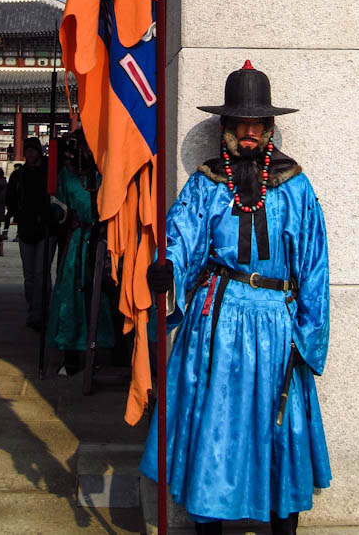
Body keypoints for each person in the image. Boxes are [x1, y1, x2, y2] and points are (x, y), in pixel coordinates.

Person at [141, 62, 331, 535]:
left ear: (268, 128)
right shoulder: (205, 184)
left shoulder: (296, 188)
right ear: (225, 128)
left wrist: (308, 336)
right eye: (239, 124)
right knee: (216, 428)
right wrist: (168, 270)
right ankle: (210, 524)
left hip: (276, 328)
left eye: (256, 124)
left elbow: (314, 266)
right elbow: (181, 240)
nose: (248, 133)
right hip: (218, 322)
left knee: (279, 428)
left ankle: (282, 525)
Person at [47, 131, 114, 376]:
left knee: (104, 294)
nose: (77, 154)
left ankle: (102, 349)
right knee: (72, 295)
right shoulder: (66, 175)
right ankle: (71, 353)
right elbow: (59, 209)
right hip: (78, 241)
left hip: (103, 240)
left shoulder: (104, 172)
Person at [5, 136, 57, 329]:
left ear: (39, 151)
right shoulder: (18, 175)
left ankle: (40, 313)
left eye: (33, 150)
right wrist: (18, 215)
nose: (30, 153)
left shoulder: (49, 172)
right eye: (27, 150)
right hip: (26, 228)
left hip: (46, 228)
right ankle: (34, 308)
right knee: (29, 275)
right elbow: (10, 199)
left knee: (41, 272)